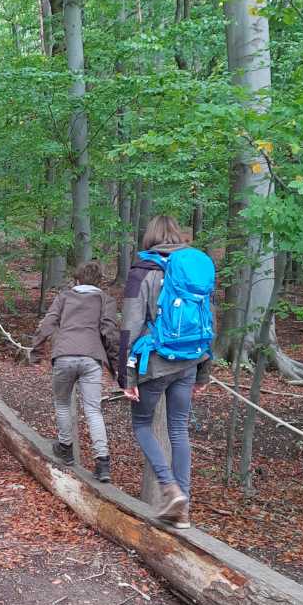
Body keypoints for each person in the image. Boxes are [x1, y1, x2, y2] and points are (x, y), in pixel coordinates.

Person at [118, 215, 213, 529]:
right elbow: (207, 322)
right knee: (179, 429)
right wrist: (203, 373)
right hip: (189, 360)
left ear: (150, 238)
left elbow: (129, 327)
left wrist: (126, 377)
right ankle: (182, 507)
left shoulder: (142, 271)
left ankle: (169, 488)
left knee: (142, 424)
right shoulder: (194, 268)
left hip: (156, 362)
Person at [31, 261, 120, 482]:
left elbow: (48, 323)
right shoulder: (105, 299)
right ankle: (102, 463)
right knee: (93, 409)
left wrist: (36, 349)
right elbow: (110, 332)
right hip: (92, 358)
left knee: (62, 403)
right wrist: (117, 365)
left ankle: (66, 448)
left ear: (77, 279)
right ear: (99, 281)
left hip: (64, 355)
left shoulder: (64, 297)